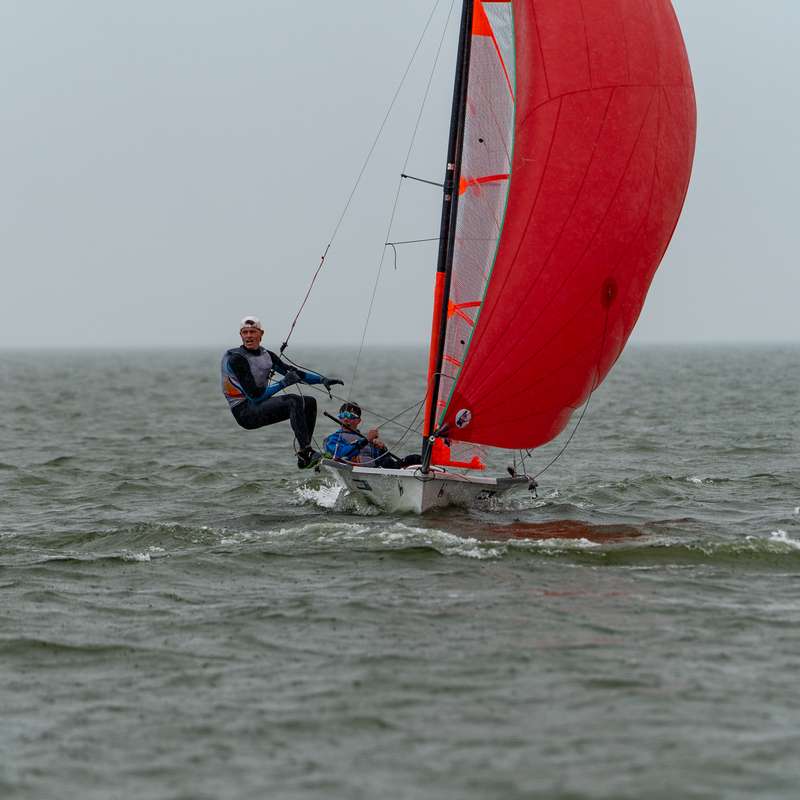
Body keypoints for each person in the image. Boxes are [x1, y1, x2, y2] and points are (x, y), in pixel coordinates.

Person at [221, 315, 343, 468]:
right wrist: (283, 383)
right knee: (293, 401)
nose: (249, 336)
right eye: (245, 332)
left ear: (261, 334)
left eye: (252, 332)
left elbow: (293, 373)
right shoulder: (236, 359)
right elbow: (255, 396)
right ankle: (307, 452)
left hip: (257, 405)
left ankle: (304, 454)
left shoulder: (267, 356)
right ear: (241, 335)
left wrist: (322, 380)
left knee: (309, 402)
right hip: (245, 412)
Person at [323, 402, 422, 469]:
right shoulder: (333, 439)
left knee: (415, 459)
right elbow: (338, 453)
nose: (345, 419)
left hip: (380, 470)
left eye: (350, 416)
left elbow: (384, 459)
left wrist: (382, 449)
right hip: (356, 472)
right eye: (343, 415)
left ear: (358, 421)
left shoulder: (365, 439)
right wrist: (365, 441)